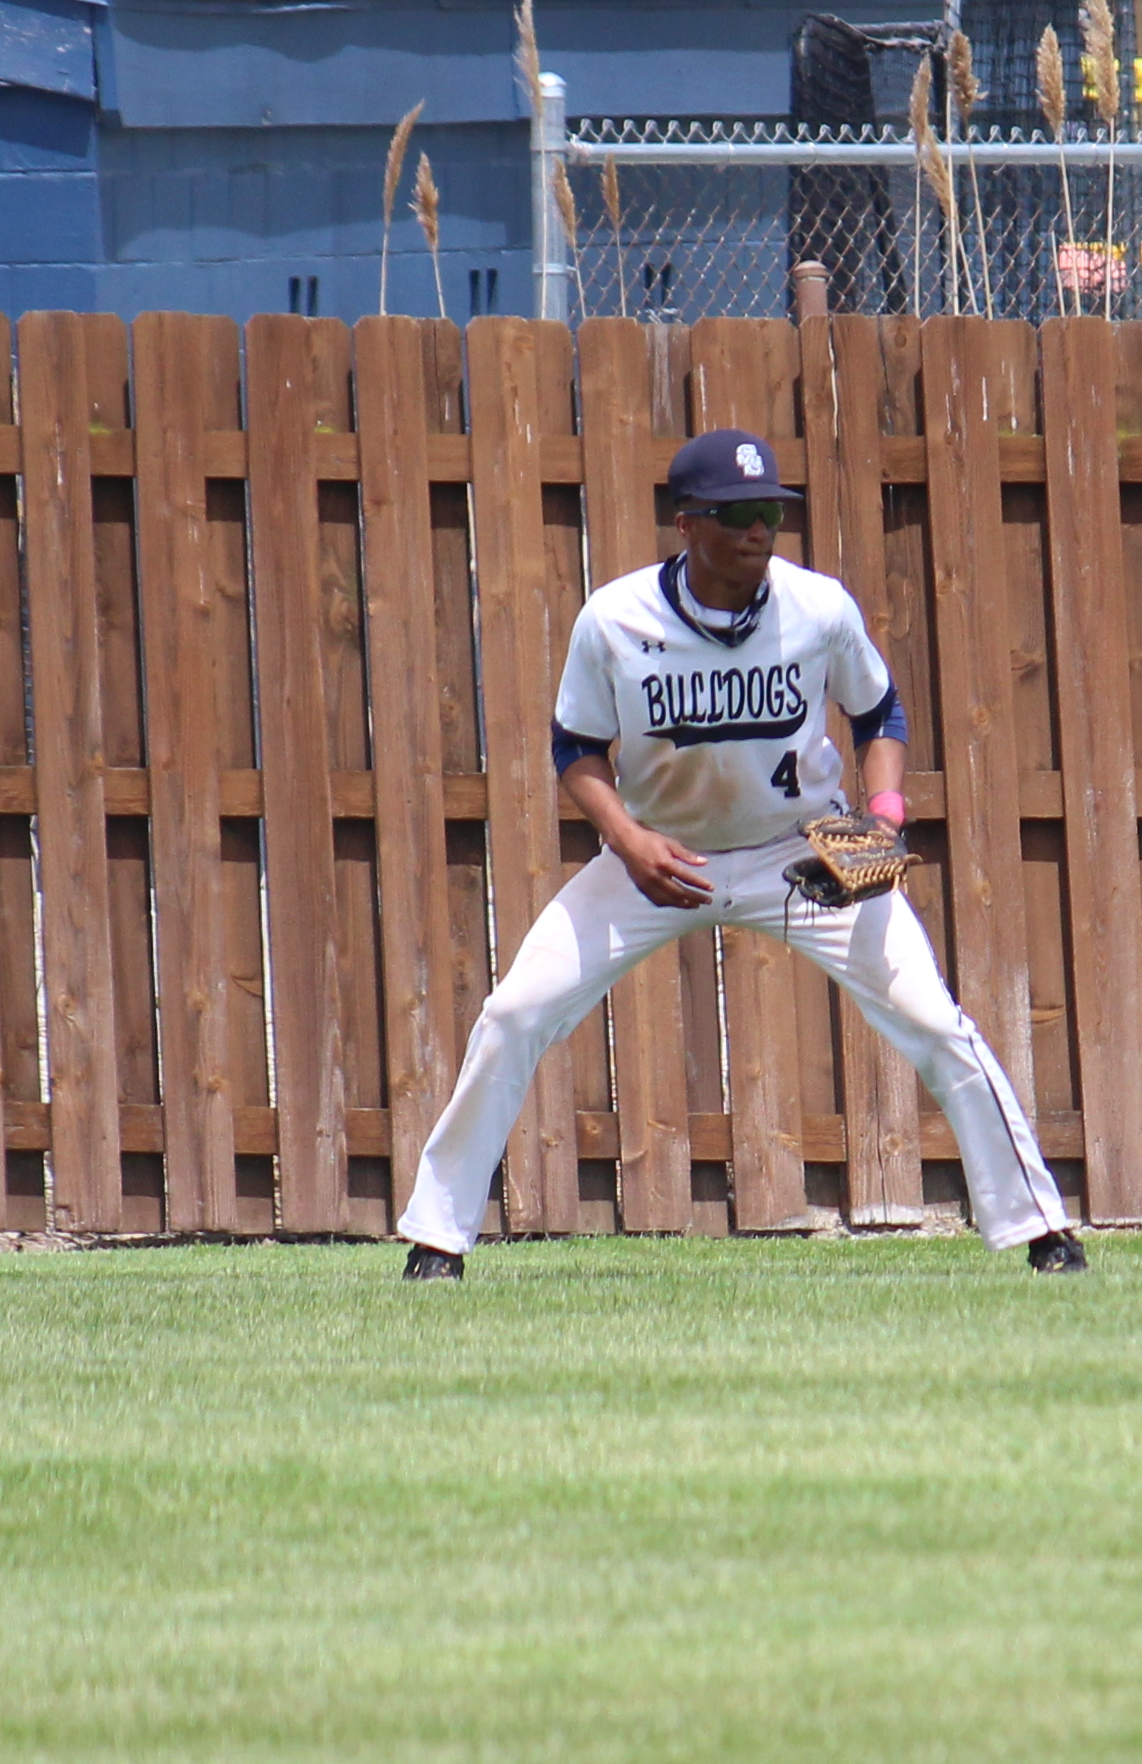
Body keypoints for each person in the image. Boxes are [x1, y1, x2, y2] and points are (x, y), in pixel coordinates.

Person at [396, 426, 1085, 1276]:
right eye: (738, 514)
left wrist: (885, 816)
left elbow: (880, 717)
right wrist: (628, 840)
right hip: (658, 858)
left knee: (934, 1021)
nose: (760, 530)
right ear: (686, 524)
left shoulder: (817, 607)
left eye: (771, 512)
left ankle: (1042, 1232)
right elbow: (576, 747)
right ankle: (437, 1238)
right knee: (513, 1014)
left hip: (801, 849)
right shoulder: (614, 620)